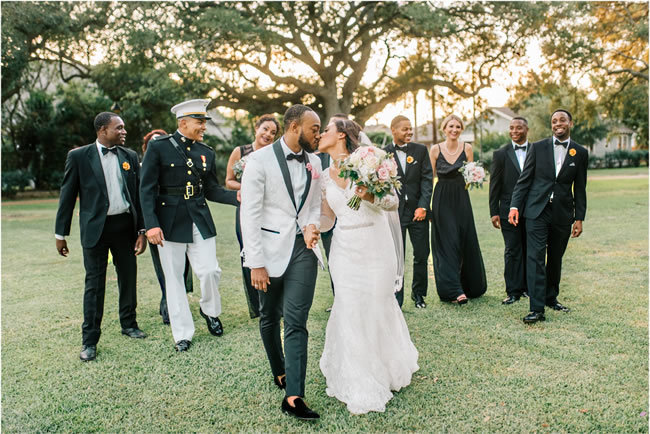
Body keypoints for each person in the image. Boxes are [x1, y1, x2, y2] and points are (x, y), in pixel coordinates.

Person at [318, 118, 419, 415]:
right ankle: (358, 376)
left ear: (340, 135)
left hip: (376, 245)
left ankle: (384, 368)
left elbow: (392, 202)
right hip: (344, 249)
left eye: (326, 130)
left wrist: (369, 194)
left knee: (377, 305)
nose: (321, 134)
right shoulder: (323, 176)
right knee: (349, 307)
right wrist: (308, 226)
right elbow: (327, 219)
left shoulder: (368, 160)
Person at [240, 104, 323, 420]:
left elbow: (313, 206)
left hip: (304, 249)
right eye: (314, 128)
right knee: (269, 315)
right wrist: (256, 263)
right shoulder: (258, 161)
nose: (318, 133)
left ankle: (294, 396)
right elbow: (250, 213)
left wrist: (312, 224)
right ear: (294, 128)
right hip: (268, 251)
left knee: (296, 318)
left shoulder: (314, 162)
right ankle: (279, 368)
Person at [140, 99, 239, 352]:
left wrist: (238, 197)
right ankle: (182, 333)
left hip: (199, 217)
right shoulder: (159, 147)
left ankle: (210, 311)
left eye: (204, 122)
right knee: (174, 279)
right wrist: (150, 225)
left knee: (209, 271)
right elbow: (147, 189)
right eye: (199, 122)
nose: (203, 127)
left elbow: (213, 190)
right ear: (183, 123)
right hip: (167, 221)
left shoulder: (206, 152)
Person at [55, 112, 147, 362]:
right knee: (94, 285)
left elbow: (138, 196)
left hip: (125, 226)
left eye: (124, 127)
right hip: (96, 229)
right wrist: (60, 233)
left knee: (128, 276)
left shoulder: (129, 156)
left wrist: (141, 231)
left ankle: (129, 324)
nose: (124, 131)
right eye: (119, 128)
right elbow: (67, 196)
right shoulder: (78, 157)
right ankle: (90, 340)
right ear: (102, 130)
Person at [508, 109, 588, 324]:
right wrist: (514, 206)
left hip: (563, 213)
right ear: (551, 125)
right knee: (535, 258)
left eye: (562, 120)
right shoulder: (538, 147)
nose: (558, 123)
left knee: (555, 257)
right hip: (536, 211)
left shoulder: (580, 152)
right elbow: (524, 180)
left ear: (570, 122)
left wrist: (579, 218)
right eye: (554, 121)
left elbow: (580, 188)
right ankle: (536, 308)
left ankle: (551, 298)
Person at [225, 114, 280, 319]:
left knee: (272, 251)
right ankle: (257, 306)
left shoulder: (275, 154)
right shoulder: (240, 152)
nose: (268, 135)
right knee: (249, 253)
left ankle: (275, 301)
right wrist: (247, 187)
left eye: (273, 133)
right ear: (256, 128)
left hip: (271, 210)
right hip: (247, 209)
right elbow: (229, 180)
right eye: (265, 129)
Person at [429, 114, 487, 304]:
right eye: (451, 126)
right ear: (444, 129)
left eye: (458, 127)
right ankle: (452, 290)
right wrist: (427, 206)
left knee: (464, 239)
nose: (454, 130)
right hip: (442, 198)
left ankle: (469, 286)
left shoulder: (467, 148)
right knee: (447, 242)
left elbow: (470, 175)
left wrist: (476, 177)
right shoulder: (435, 149)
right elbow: (429, 179)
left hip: (461, 198)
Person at [142, 129, 193, 325]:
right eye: (152, 142)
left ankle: (180, 300)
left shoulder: (176, 166)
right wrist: (147, 226)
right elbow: (143, 197)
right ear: (147, 148)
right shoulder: (143, 167)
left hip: (179, 220)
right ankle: (167, 304)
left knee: (184, 265)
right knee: (164, 267)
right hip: (156, 223)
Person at [384, 115, 433, 309]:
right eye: (405, 129)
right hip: (394, 213)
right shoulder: (383, 153)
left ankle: (419, 295)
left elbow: (427, 179)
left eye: (410, 129)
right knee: (397, 256)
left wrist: (423, 206)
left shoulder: (420, 151)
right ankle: (397, 298)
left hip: (417, 211)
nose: (409, 132)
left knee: (421, 254)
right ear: (393, 130)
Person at [489, 117, 530, 305]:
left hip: (532, 209)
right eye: (511, 128)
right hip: (507, 209)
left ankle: (530, 288)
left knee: (531, 249)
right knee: (512, 249)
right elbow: (494, 184)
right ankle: (513, 291)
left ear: (526, 129)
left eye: (519, 128)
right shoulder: (500, 154)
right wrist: (494, 211)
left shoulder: (537, 151)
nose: (514, 131)